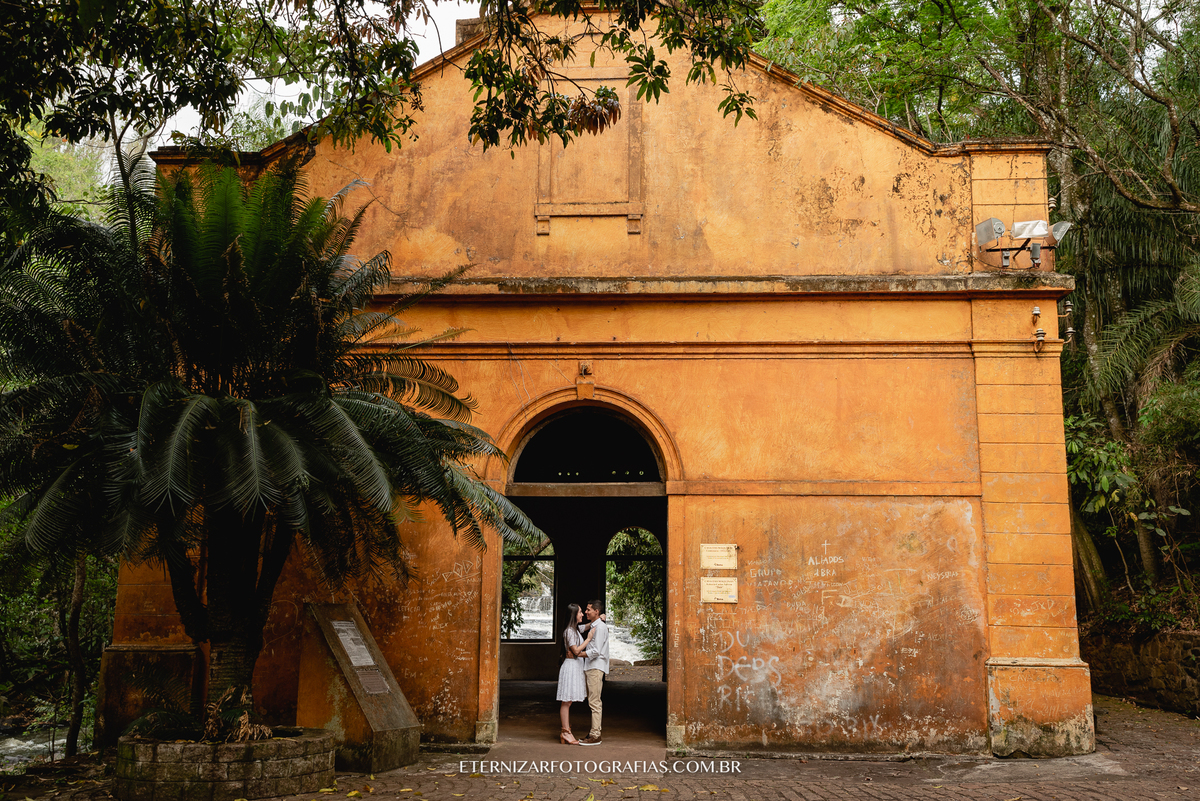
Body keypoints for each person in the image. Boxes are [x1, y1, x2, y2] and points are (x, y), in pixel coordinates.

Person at [555, 603, 593, 745]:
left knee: (568, 701)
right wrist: (588, 639)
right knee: (566, 701)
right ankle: (565, 732)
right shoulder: (570, 631)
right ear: (573, 615)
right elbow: (576, 651)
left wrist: (598, 619)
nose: (583, 614)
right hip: (570, 667)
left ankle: (566, 731)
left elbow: (586, 627)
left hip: (575, 666)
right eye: (580, 612)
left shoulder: (575, 629)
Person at [577, 599, 610, 745]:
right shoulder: (595, 625)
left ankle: (596, 735)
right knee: (593, 700)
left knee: (595, 702)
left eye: (588, 609)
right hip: (591, 666)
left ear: (596, 611)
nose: (586, 612)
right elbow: (579, 629)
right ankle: (593, 732)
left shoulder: (600, 628)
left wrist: (578, 653)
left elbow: (596, 651)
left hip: (595, 667)